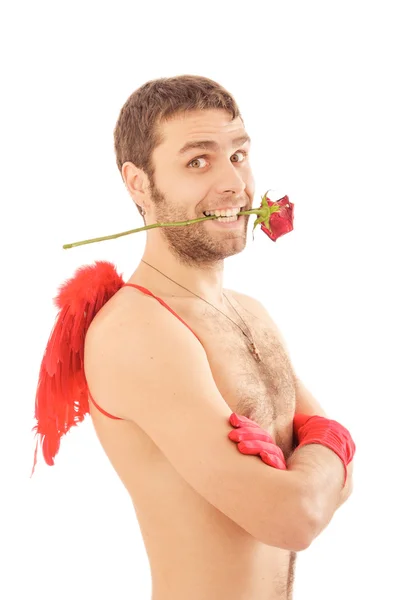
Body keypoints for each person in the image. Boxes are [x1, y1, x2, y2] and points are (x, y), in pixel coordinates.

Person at [35, 75, 355, 600]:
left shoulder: (251, 313)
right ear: (138, 183)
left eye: (239, 154)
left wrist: (321, 455)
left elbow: (339, 482)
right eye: (198, 161)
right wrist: (326, 448)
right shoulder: (138, 330)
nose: (234, 184)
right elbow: (295, 517)